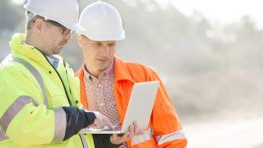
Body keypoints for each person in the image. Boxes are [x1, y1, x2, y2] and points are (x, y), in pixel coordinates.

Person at [0, 0, 116, 147]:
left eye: (71, 31)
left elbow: (70, 133)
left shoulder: (62, 69)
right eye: (64, 30)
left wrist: (107, 142)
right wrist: (82, 117)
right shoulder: (9, 73)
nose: (69, 37)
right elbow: (27, 129)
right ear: (39, 25)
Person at [76, 1, 188, 147]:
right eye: (97, 44)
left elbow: (172, 138)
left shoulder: (145, 77)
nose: (105, 53)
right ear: (80, 39)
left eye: (111, 44)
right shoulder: (71, 86)